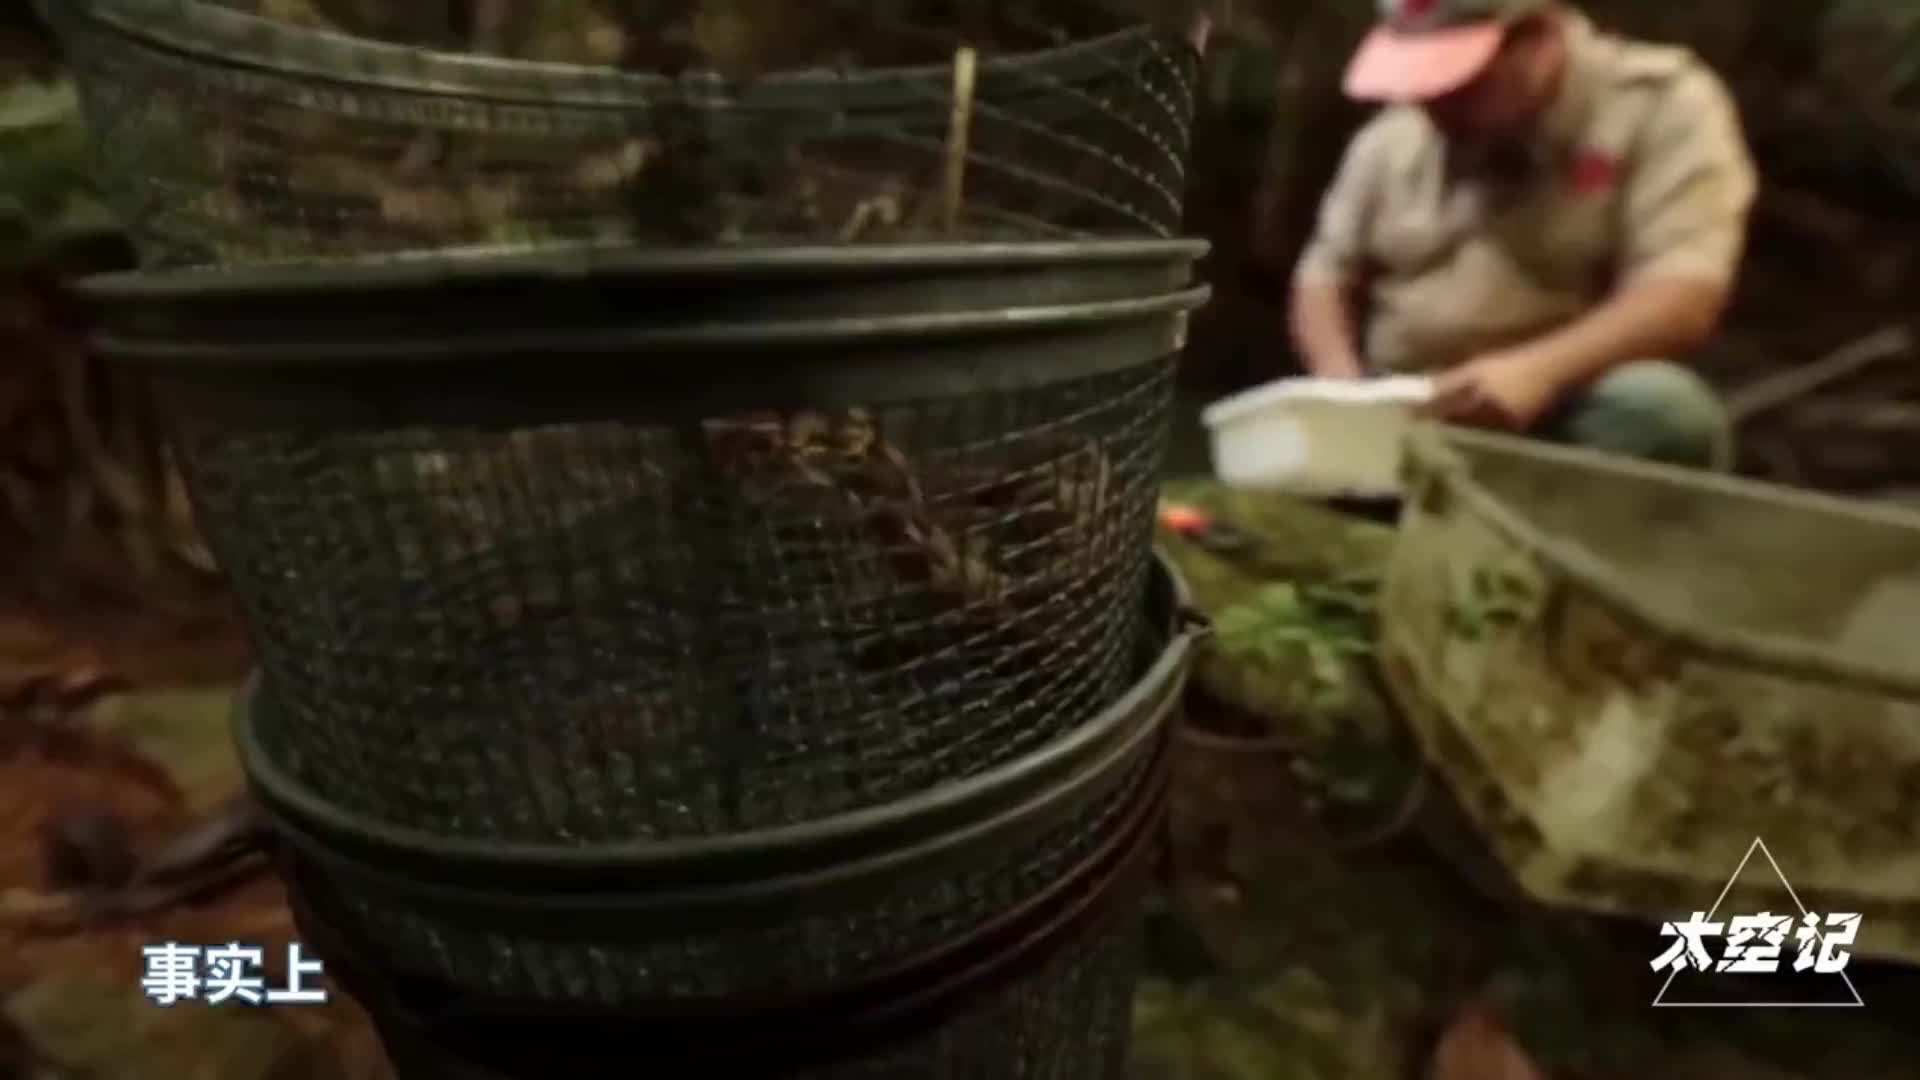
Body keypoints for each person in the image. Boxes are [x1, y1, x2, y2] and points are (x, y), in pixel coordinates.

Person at [1288, 0, 1758, 469]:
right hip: (1405, 405)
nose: (1437, 105)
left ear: (1539, 41)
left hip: (1563, 410)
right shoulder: (1393, 136)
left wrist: (1539, 371)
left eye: (1464, 84)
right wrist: (1341, 384)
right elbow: (1324, 271)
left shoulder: (1662, 107)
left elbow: (1683, 293)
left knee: (1664, 411)